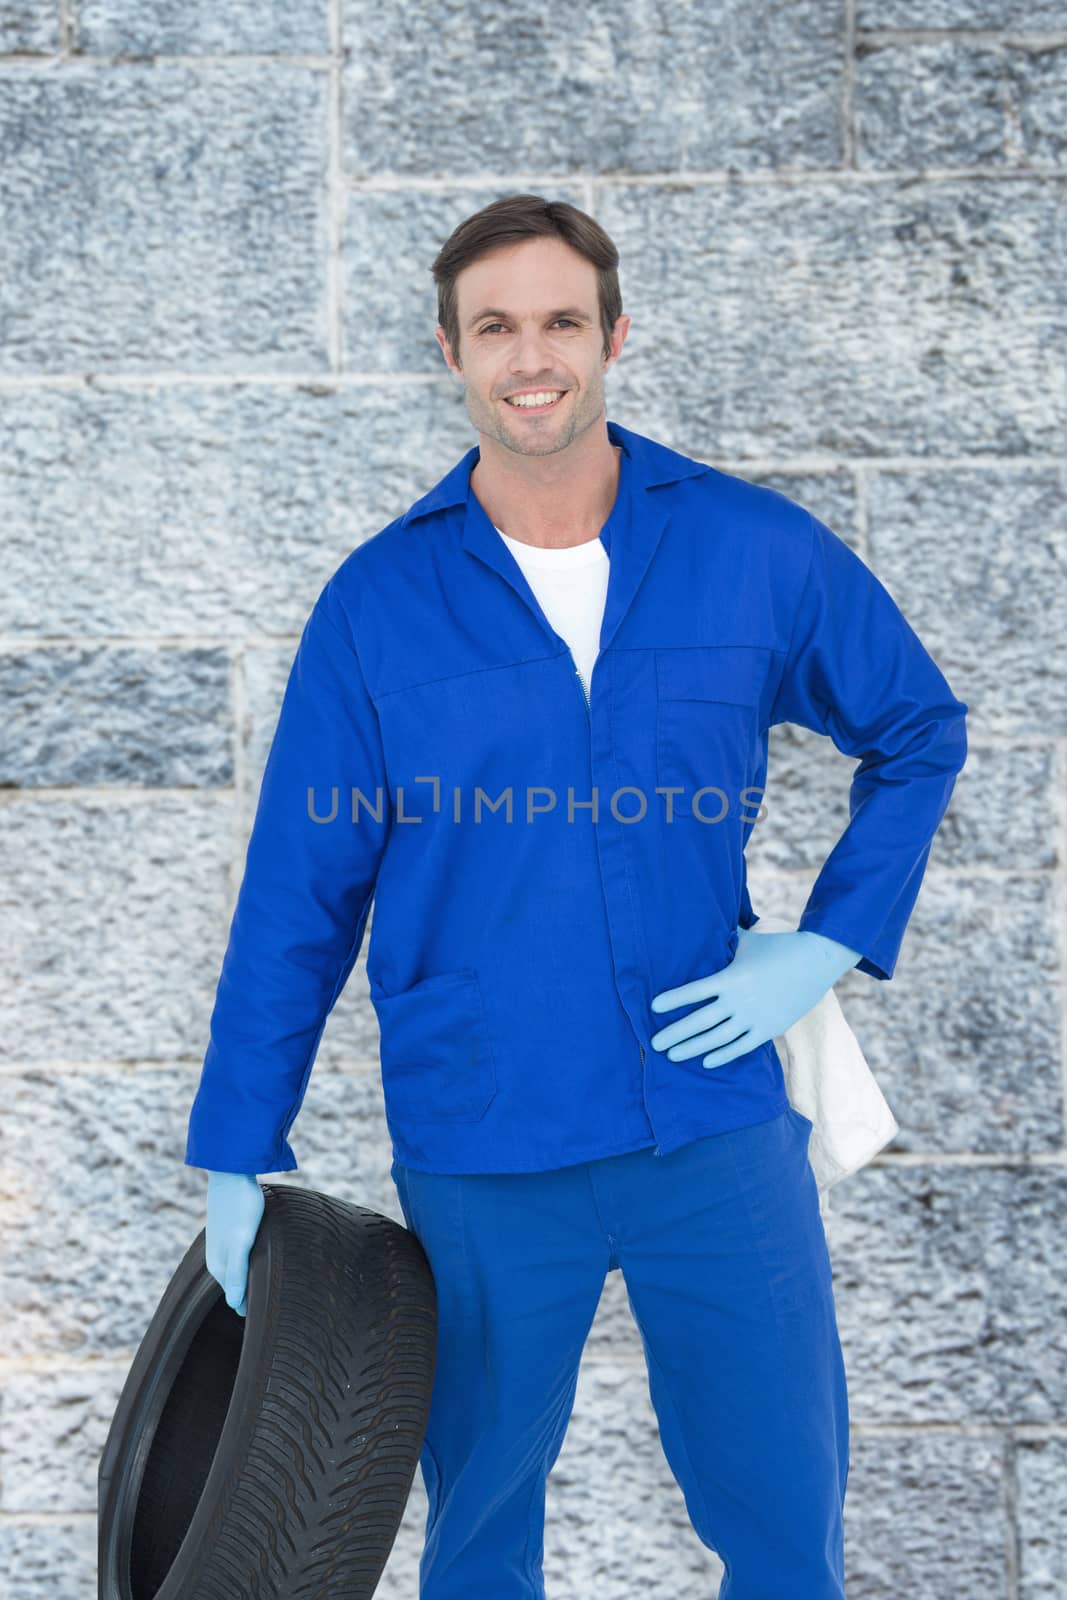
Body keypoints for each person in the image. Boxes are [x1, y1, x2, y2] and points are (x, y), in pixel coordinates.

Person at [187, 195, 968, 1598]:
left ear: (614, 336)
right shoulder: (378, 603)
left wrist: (830, 939)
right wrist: (237, 1146)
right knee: (481, 1533)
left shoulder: (751, 549)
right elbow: (302, 889)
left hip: (713, 1125)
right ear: (451, 353)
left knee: (786, 1518)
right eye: (496, 326)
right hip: (486, 1142)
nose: (529, 354)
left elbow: (917, 728)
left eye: (560, 320)